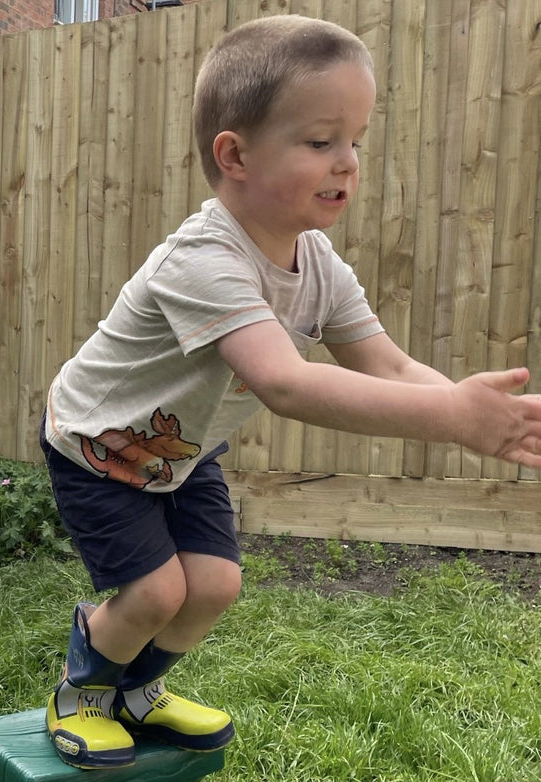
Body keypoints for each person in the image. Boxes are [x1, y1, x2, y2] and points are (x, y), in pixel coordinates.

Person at [39, 15, 541, 770]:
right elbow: (284, 382)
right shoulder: (204, 259)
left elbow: (393, 368)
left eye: (356, 141)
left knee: (213, 586)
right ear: (235, 155)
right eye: (320, 142)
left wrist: (482, 415)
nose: (348, 163)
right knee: (154, 596)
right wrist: (455, 418)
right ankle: (79, 695)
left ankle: (136, 693)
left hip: (182, 449)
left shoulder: (319, 264)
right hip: (101, 445)